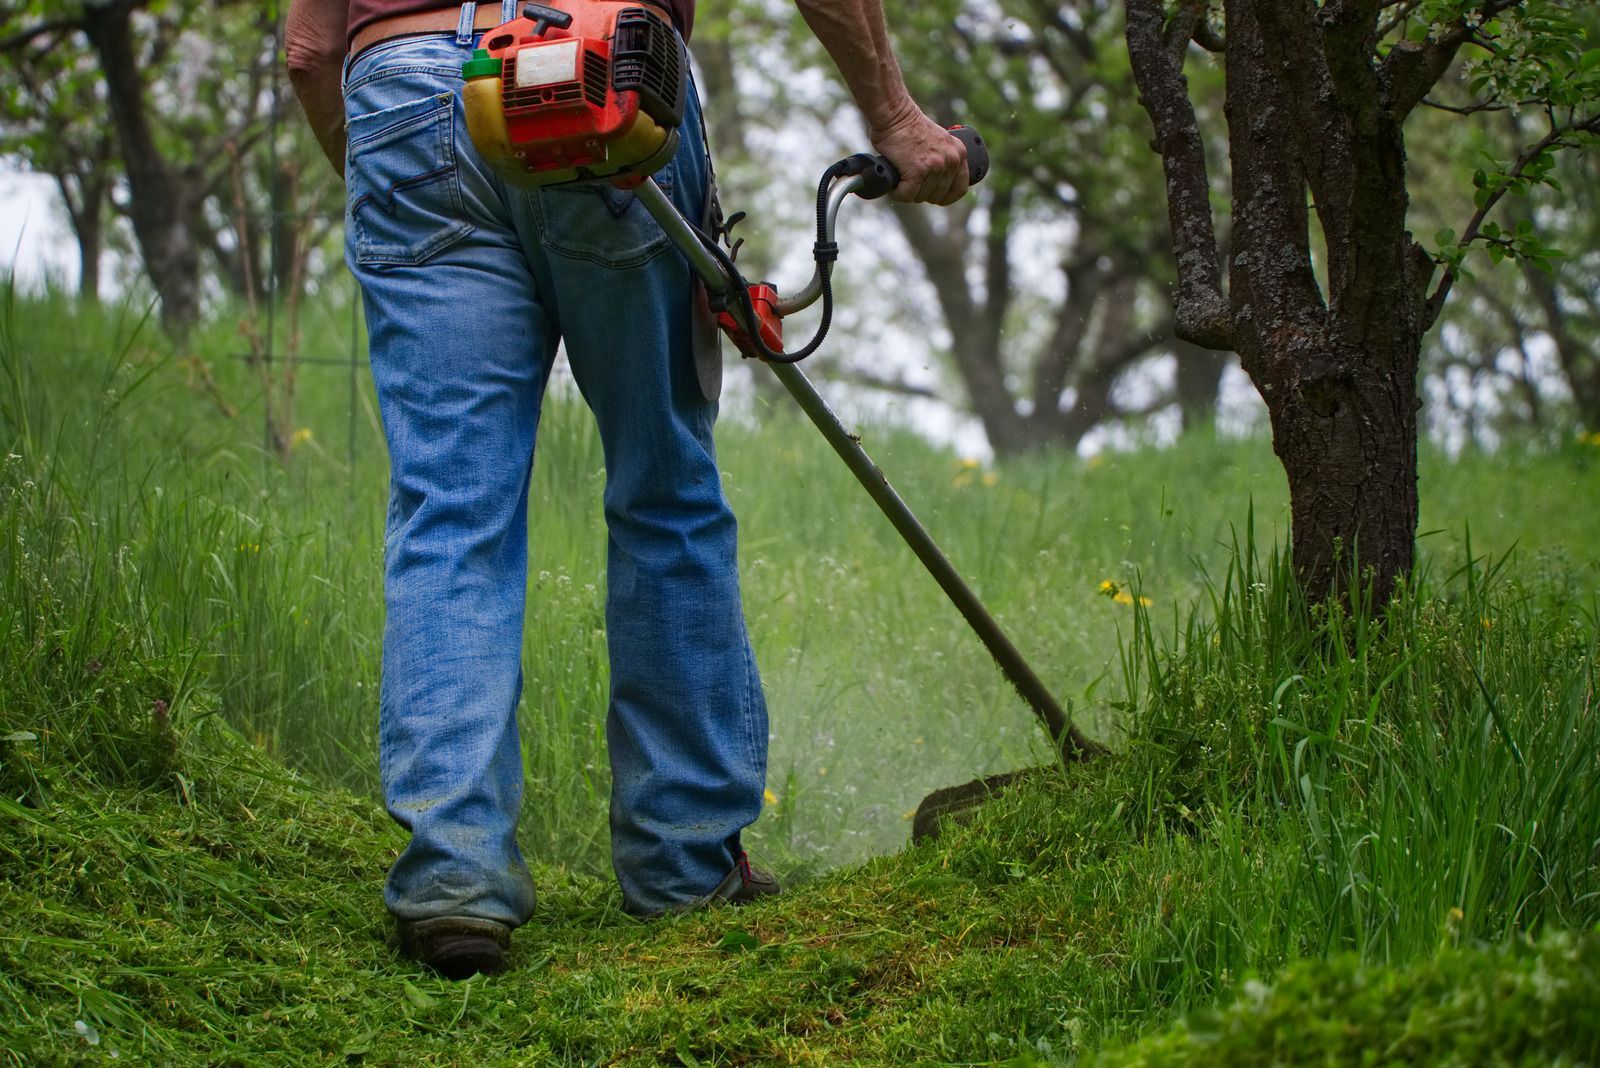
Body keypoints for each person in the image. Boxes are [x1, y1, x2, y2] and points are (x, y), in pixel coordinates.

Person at [285, 0, 969, 979]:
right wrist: (896, 117)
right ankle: (682, 860)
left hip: (396, 93)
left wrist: (418, 179)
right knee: (662, 485)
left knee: (449, 506)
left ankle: (453, 876)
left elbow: (310, 51)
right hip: (585, 72)